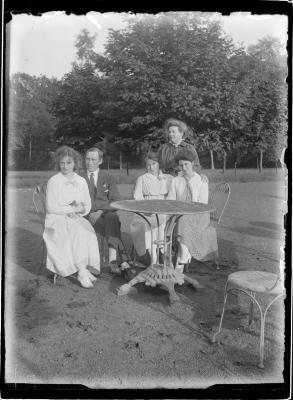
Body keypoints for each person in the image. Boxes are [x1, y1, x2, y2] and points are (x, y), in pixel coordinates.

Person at [43, 146, 100, 288]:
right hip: (56, 219)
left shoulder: (81, 181)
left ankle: (84, 267)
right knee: (77, 231)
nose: (65, 166)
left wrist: (81, 210)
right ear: (58, 163)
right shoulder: (54, 181)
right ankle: (81, 272)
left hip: (74, 217)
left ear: (75, 163)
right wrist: (70, 209)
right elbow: (51, 207)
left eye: (69, 163)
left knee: (88, 231)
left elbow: (87, 205)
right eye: (62, 163)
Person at [167, 149, 218, 272]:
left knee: (183, 218)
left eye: (186, 164)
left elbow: (202, 204)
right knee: (179, 219)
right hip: (180, 215)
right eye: (181, 165)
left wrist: (186, 210)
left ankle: (183, 257)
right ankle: (182, 257)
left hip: (199, 216)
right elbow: (170, 200)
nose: (184, 168)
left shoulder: (201, 180)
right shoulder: (176, 180)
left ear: (193, 163)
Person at [80, 147, 123, 273]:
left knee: (112, 218)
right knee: (112, 223)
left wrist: (100, 212)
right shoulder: (79, 178)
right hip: (85, 215)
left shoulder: (108, 177)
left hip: (104, 214)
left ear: (100, 161)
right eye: (87, 159)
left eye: (93, 159)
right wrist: (89, 213)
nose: (89, 162)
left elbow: (116, 201)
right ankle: (113, 260)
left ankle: (111, 261)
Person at [130, 151, 172, 265]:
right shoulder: (142, 179)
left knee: (162, 220)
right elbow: (137, 198)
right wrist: (146, 209)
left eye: (154, 164)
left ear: (159, 164)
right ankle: (152, 255)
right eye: (148, 165)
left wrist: (201, 176)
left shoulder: (168, 178)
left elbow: (173, 194)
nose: (151, 167)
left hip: (164, 209)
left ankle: (163, 252)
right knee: (146, 223)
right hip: (146, 210)